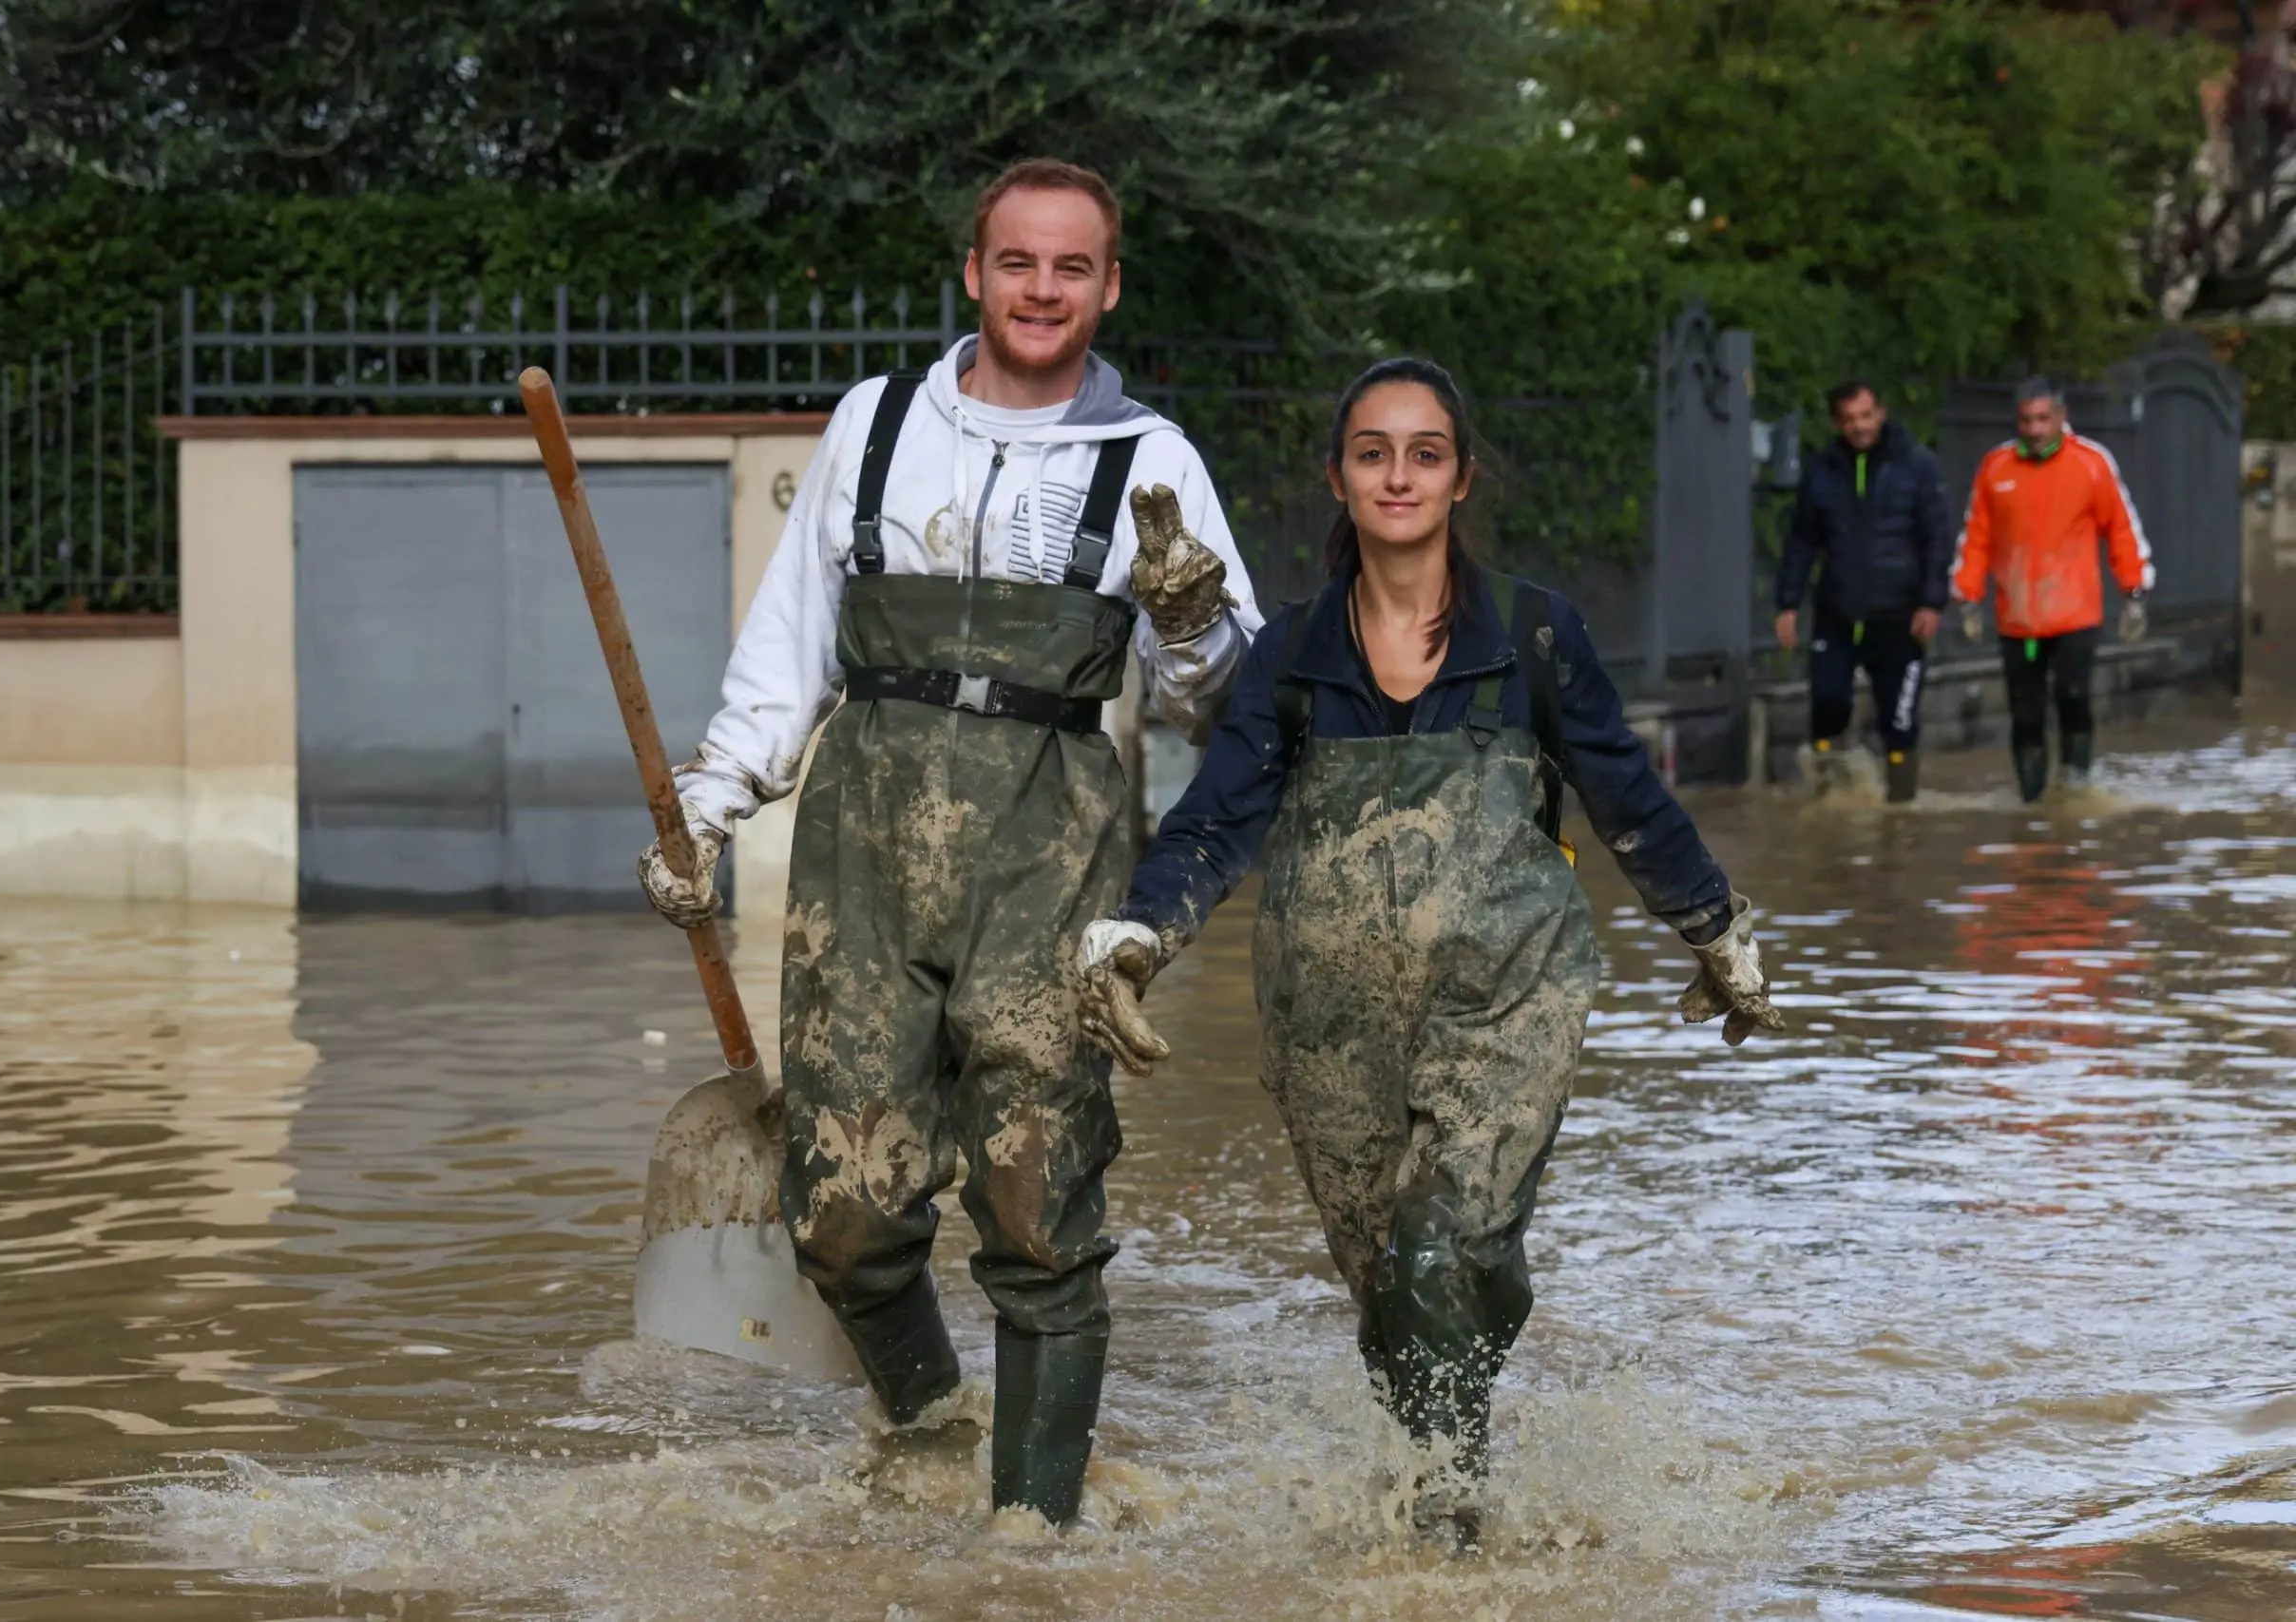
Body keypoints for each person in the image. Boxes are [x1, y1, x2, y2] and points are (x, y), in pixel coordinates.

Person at [637, 157, 1264, 1526]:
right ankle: (929, 1429)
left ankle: (1027, 1537)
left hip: (1055, 855)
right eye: (1019, 262)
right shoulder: (874, 424)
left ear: (1108, 287)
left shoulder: (1152, 461)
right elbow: (789, 645)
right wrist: (707, 804)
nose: (1044, 289)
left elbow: (1226, 702)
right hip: (859, 852)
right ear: (974, 273)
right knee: (842, 1215)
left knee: (1039, 1209)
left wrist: (1185, 613)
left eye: (1074, 267)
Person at [1071, 359, 1782, 1517]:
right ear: (1338, 480)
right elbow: (1215, 821)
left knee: (1435, 1254)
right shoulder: (1289, 658)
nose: (1397, 474)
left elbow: (1625, 797)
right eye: (1372, 452)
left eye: (1424, 452)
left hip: (1509, 1000)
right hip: (1328, 1028)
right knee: (1390, 1304)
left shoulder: (1539, 638)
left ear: (1460, 479)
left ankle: (1445, 1541)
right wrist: (1141, 932)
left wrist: (1717, 927)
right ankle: (1443, 1493)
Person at [1949, 378, 2153, 802]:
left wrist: (2134, 592)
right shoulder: (1996, 467)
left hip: (2075, 615)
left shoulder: (2091, 463)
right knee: (2025, 716)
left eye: (2044, 419)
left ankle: (2076, 789)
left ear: (2062, 417)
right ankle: (2032, 805)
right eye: (2026, 420)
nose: (2036, 429)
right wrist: (1967, 596)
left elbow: (2121, 529)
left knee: (2073, 697)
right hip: (2018, 619)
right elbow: (1976, 537)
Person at [1772, 379, 1953, 803]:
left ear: (1881, 413)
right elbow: (1802, 540)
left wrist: (1931, 601)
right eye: (1849, 419)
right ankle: (1829, 802)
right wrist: (1788, 603)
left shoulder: (1917, 466)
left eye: (1865, 416)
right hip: (1836, 613)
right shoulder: (1822, 469)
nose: (1859, 426)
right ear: (1837, 422)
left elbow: (1937, 538)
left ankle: (1900, 812)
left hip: (1899, 615)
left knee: (1899, 720)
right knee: (1827, 703)